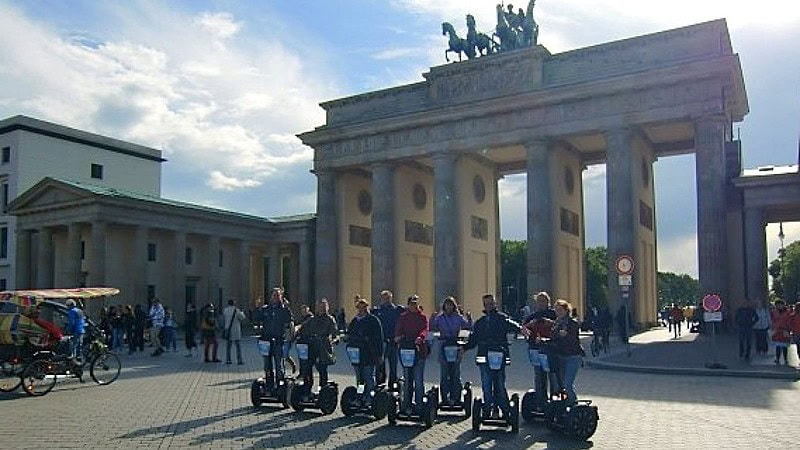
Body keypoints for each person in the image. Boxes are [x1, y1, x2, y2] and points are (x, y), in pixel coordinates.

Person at [465, 293, 528, 419]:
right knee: (486, 383)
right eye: (486, 304)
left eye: (491, 303)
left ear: (495, 304)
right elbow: (473, 339)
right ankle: (487, 408)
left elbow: (511, 324)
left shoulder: (501, 318)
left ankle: (505, 409)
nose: (489, 306)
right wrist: (463, 348)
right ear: (484, 305)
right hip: (483, 355)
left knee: (499, 383)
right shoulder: (480, 322)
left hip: (499, 354)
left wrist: (521, 329)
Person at [431, 296, 471, 406]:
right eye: (447, 305)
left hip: (455, 344)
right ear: (444, 306)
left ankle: (456, 397)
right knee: (444, 374)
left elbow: (467, 326)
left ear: (454, 306)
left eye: (451, 305)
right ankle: (445, 398)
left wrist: (469, 318)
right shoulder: (440, 318)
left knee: (455, 373)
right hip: (443, 344)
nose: (449, 307)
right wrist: (432, 318)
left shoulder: (458, 317)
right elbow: (433, 328)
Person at [394, 294, 429, 415]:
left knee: (418, 380)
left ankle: (419, 406)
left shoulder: (422, 317)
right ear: (408, 305)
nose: (413, 306)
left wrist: (420, 337)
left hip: (419, 351)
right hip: (406, 351)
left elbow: (425, 329)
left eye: (415, 303)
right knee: (407, 379)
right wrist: (397, 337)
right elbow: (398, 329)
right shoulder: (403, 317)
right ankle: (405, 405)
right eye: (411, 304)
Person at [521, 292, 557, 407]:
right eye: (539, 301)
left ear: (548, 302)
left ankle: (554, 401)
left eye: (543, 301)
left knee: (553, 376)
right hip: (536, 349)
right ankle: (540, 402)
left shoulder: (553, 314)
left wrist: (550, 323)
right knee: (539, 376)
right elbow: (523, 329)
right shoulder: (532, 316)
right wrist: (530, 326)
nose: (541, 303)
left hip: (552, 350)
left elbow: (560, 325)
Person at [296, 298, 339, 392]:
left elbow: (335, 333)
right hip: (312, 346)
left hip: (324, 347)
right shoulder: (313, 319)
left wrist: (334, 340)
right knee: (307, 366)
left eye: (323, 307)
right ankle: (307, 386)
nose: (322, 309)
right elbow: (303, 326)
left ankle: (322, 388)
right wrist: (296, 329)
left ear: (327, 308)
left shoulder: (330, 319)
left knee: (322, 368)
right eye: (320, 307)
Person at [346, 296, 384, 404]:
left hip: (369, 354)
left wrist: (380, 354)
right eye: (359, 307)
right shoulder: (355, 321)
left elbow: (379, 338)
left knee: (368, 377)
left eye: (363, 307)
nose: (361, 309)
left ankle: (370, 397)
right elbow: (349, 333)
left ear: (367, 307)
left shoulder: (373, 320)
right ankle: (360, 396)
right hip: (357, 354)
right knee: (360, 379)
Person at [550, 299, 584, 405]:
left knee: (567, 384)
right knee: (560, 384)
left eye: (560, 310)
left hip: (573, 357)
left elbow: (574, 339)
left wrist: (566, 335)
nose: (558, 312)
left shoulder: (572, 323)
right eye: (556, 310)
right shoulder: (556, 323)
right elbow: (552, 336)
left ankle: (573, 404)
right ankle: (565, 404)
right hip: (560, 356)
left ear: (566, 310)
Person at [259, 288, 294, 380]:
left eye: (278, 295)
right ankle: (269, 381)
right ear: (271, 297)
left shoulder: (284, 309)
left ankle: (280, 382)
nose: (276, 297)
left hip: (279, 340)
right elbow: (256, 318)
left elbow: (289, 321)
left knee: (279, 363)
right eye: (274, 295)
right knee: (267, 364)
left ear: (281, 297)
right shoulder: (266, 309)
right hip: (266, 340)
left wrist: (286, 308)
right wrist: (256, 308)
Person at [372, 289, 404, 385]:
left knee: (393, 364)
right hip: (381, 342)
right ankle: (380, 383)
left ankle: (392, 384)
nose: (386, 300)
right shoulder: (376, 311)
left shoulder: (397, 310)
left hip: (393, 341)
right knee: (380, 364)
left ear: (391, 298)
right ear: (381, 299)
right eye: (384, 298)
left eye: (388, 298)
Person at [223, 298, 246, 365]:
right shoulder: (236, 310)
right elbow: (242, 318)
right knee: (238, 346)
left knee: (228, 346)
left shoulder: (225, 310)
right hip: (236, 330)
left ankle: (228, 359)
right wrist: (242, 312)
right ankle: (239, 360)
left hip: (228, 329)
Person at [771, 300, 791, 365]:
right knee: (778, 346)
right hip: (777, 331)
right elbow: (773, 320)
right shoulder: (774, 312)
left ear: (783, 305)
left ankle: (785, 359)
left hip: (785, 330)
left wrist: (788, 328)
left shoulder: (787, 312)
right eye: (777, 305)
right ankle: (777, 358)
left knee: (785, 346)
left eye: (780, 304)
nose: (779, 306)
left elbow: (789, 320)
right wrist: (773, 327)